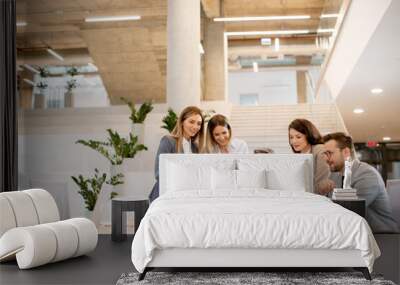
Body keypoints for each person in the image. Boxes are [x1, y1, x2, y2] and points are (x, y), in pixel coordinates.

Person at [323, 132, 399, 233]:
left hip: (382, 235)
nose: (326, 158)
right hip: (357, 234)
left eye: (330, 153)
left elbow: (350, 211)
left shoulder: (367, 174)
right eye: (325, 154)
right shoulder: (334, 176)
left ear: (346, 152)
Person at [149, 106, 205, 202]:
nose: (195, 127)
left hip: (186, 195)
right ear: (182, 122)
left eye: (199, 124)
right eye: (191, 122)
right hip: (165, 194)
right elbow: (158, 173)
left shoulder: (195, 147)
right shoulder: (168, 141)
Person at [288, 119, 334, 195]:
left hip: (319, 198)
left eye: (298, 137)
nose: (294, 141)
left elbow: (321, 183)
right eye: (291, 137)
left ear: (309, 135)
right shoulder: (298, 156)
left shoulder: (320, 150)